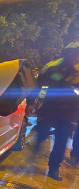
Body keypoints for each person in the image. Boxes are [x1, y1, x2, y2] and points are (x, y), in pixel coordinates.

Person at [32, 41, 79, 181]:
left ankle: (53, 168)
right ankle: (38, 141)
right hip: (50, 108)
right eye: (75, 53)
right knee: (43, 130)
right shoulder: (52, 67)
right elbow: (38, 85)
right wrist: (31, 101)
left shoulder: (76, 71)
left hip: (67, 113)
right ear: (67, 53)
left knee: (61, 140)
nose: (76, 56)